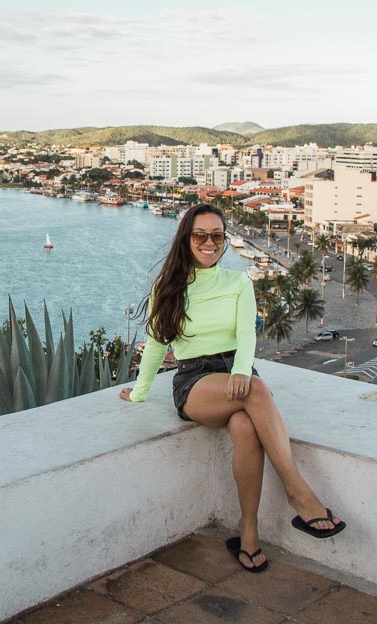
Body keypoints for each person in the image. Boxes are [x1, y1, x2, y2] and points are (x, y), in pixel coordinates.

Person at [119, 203, 345, 574]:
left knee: (244, 427)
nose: (209, 242)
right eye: (200, 235)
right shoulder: (169, 286)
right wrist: (140, 391)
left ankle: (249, 532)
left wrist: (241, 371)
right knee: (256, 390)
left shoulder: (238, 282)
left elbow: (245, 333)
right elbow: (158, 342)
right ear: (186, 239)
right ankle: (297, 492)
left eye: (217, 235)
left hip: (236, 372)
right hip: (195, 379)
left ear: (225, 239)